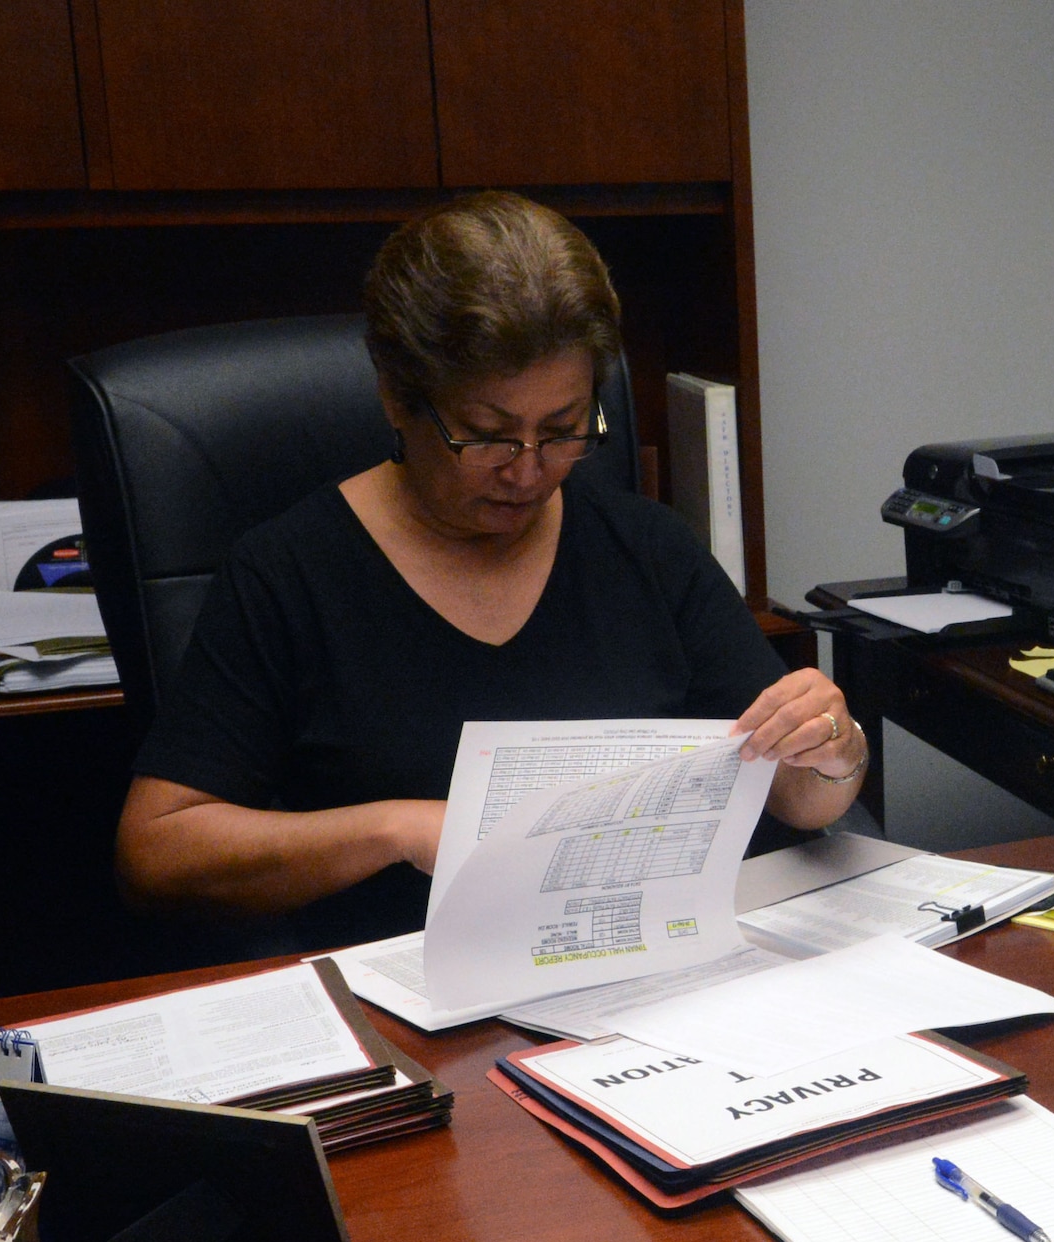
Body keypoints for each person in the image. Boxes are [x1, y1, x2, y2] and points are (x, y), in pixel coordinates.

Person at [114, 191, 867, 951]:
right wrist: (395, 828)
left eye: (566, 430)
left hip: (640, 970)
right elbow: (157, 852)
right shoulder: (288, 574)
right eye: (486, 436)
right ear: (398, 400)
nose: (528, 472)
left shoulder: (648, 549)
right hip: (412, 996)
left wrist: (832, 752)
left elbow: (798, 797)